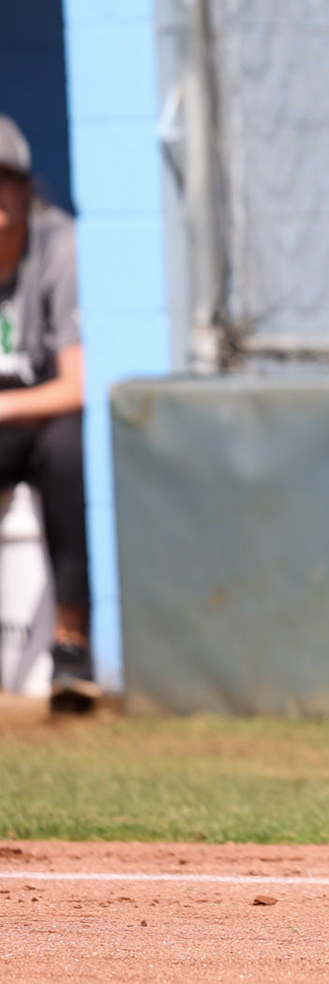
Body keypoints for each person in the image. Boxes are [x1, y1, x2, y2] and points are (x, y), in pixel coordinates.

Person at [0, 116, 92, 711]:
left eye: (3, 180)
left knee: (68, 452)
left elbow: (77, 385)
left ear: (26, 187)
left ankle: (71, 646)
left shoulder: (61, 245)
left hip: (45, 417)